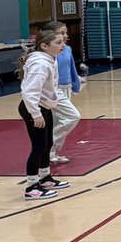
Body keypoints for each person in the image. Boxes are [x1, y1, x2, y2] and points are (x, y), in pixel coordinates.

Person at [17, 29, 69, 200]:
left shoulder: (49, 59)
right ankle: (31, 187)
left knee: (48, 143)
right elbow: (29, 91)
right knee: (38, 147)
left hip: (44, 106)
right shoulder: (40, 63)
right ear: (44, 46)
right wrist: (35, 114)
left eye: (63, 41)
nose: (63, 45)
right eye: (58, 42)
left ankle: (45, 177)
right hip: (34, 108)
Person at [43, 20, 81, 164]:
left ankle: (53, 153)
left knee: (59, 121)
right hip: (54, 90)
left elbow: (72, 68)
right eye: (61, 33)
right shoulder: (48, 52)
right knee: (73, 116)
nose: (65, 36)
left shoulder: (68, 49)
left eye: (66, 33)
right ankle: (46, 147)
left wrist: (76, 84)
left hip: (67, 88)